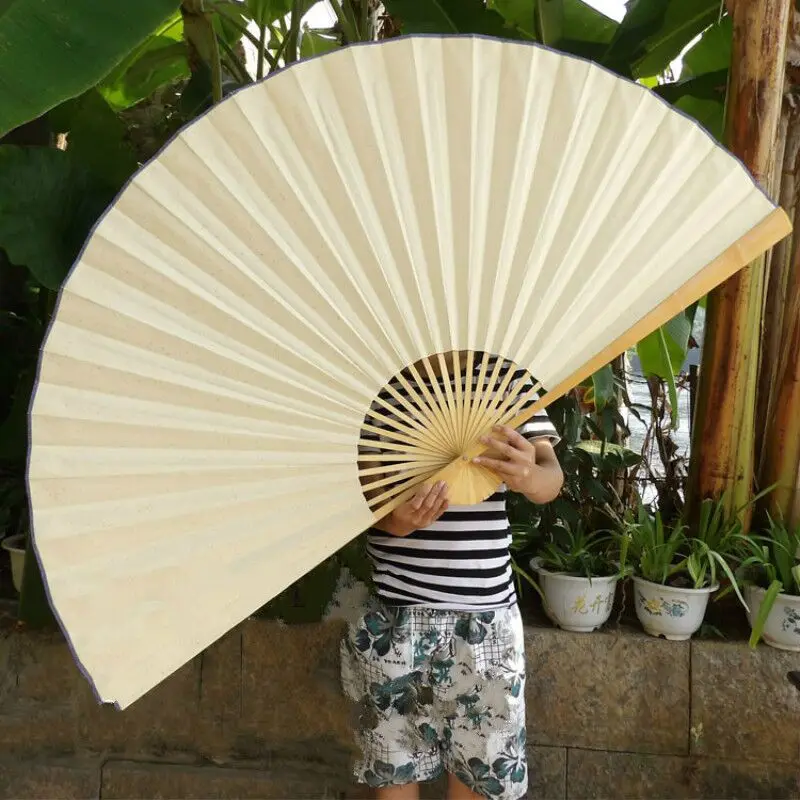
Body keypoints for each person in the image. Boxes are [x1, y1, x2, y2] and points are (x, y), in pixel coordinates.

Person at [341, 352, 564, 800]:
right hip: (393, 620)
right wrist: (394, 520)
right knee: (394, 781)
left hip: (484, 624)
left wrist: (526, 475)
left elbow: (550, 478)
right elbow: (351, 497)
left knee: (479, 782)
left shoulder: (506, 380)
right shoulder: (378, 384)